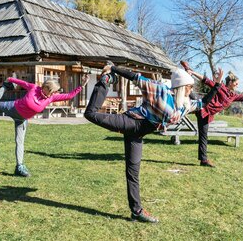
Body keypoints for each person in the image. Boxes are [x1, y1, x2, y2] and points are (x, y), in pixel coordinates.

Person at [84, 63, 202, 223]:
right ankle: (106, 80)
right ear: (182, 86)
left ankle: (136, 211)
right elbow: (135, 77)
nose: (191, 90)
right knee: (91, 114)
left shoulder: (183, 105)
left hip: (138, 134)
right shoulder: (160, 90)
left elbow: (204, 102)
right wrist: (113, 69)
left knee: (133, 172)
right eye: (189, 87)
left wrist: (207, 83)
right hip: (130, 122)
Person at [0, 73, 88, 176]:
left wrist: (82, 85)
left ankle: (19, 167)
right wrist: (10, 80)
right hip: (11, 108)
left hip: (21, 119)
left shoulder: (50, 98)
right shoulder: (34, 88)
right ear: (47, 88)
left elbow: (69, 96)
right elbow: (23, 83)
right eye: (54, 91)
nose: (54, 93)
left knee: (19, 142)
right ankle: (5, 87)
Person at [181, 61, 243, 167]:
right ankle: (188, 73)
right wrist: (194, 73)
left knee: (203, 136)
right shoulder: (221, 87)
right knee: (193, 98)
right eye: (236, 83)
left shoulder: (233, 96)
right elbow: (206, 80)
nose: (237, 85)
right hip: (204, 108)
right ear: (230, 83)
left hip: (207, 115)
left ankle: (203, 160)